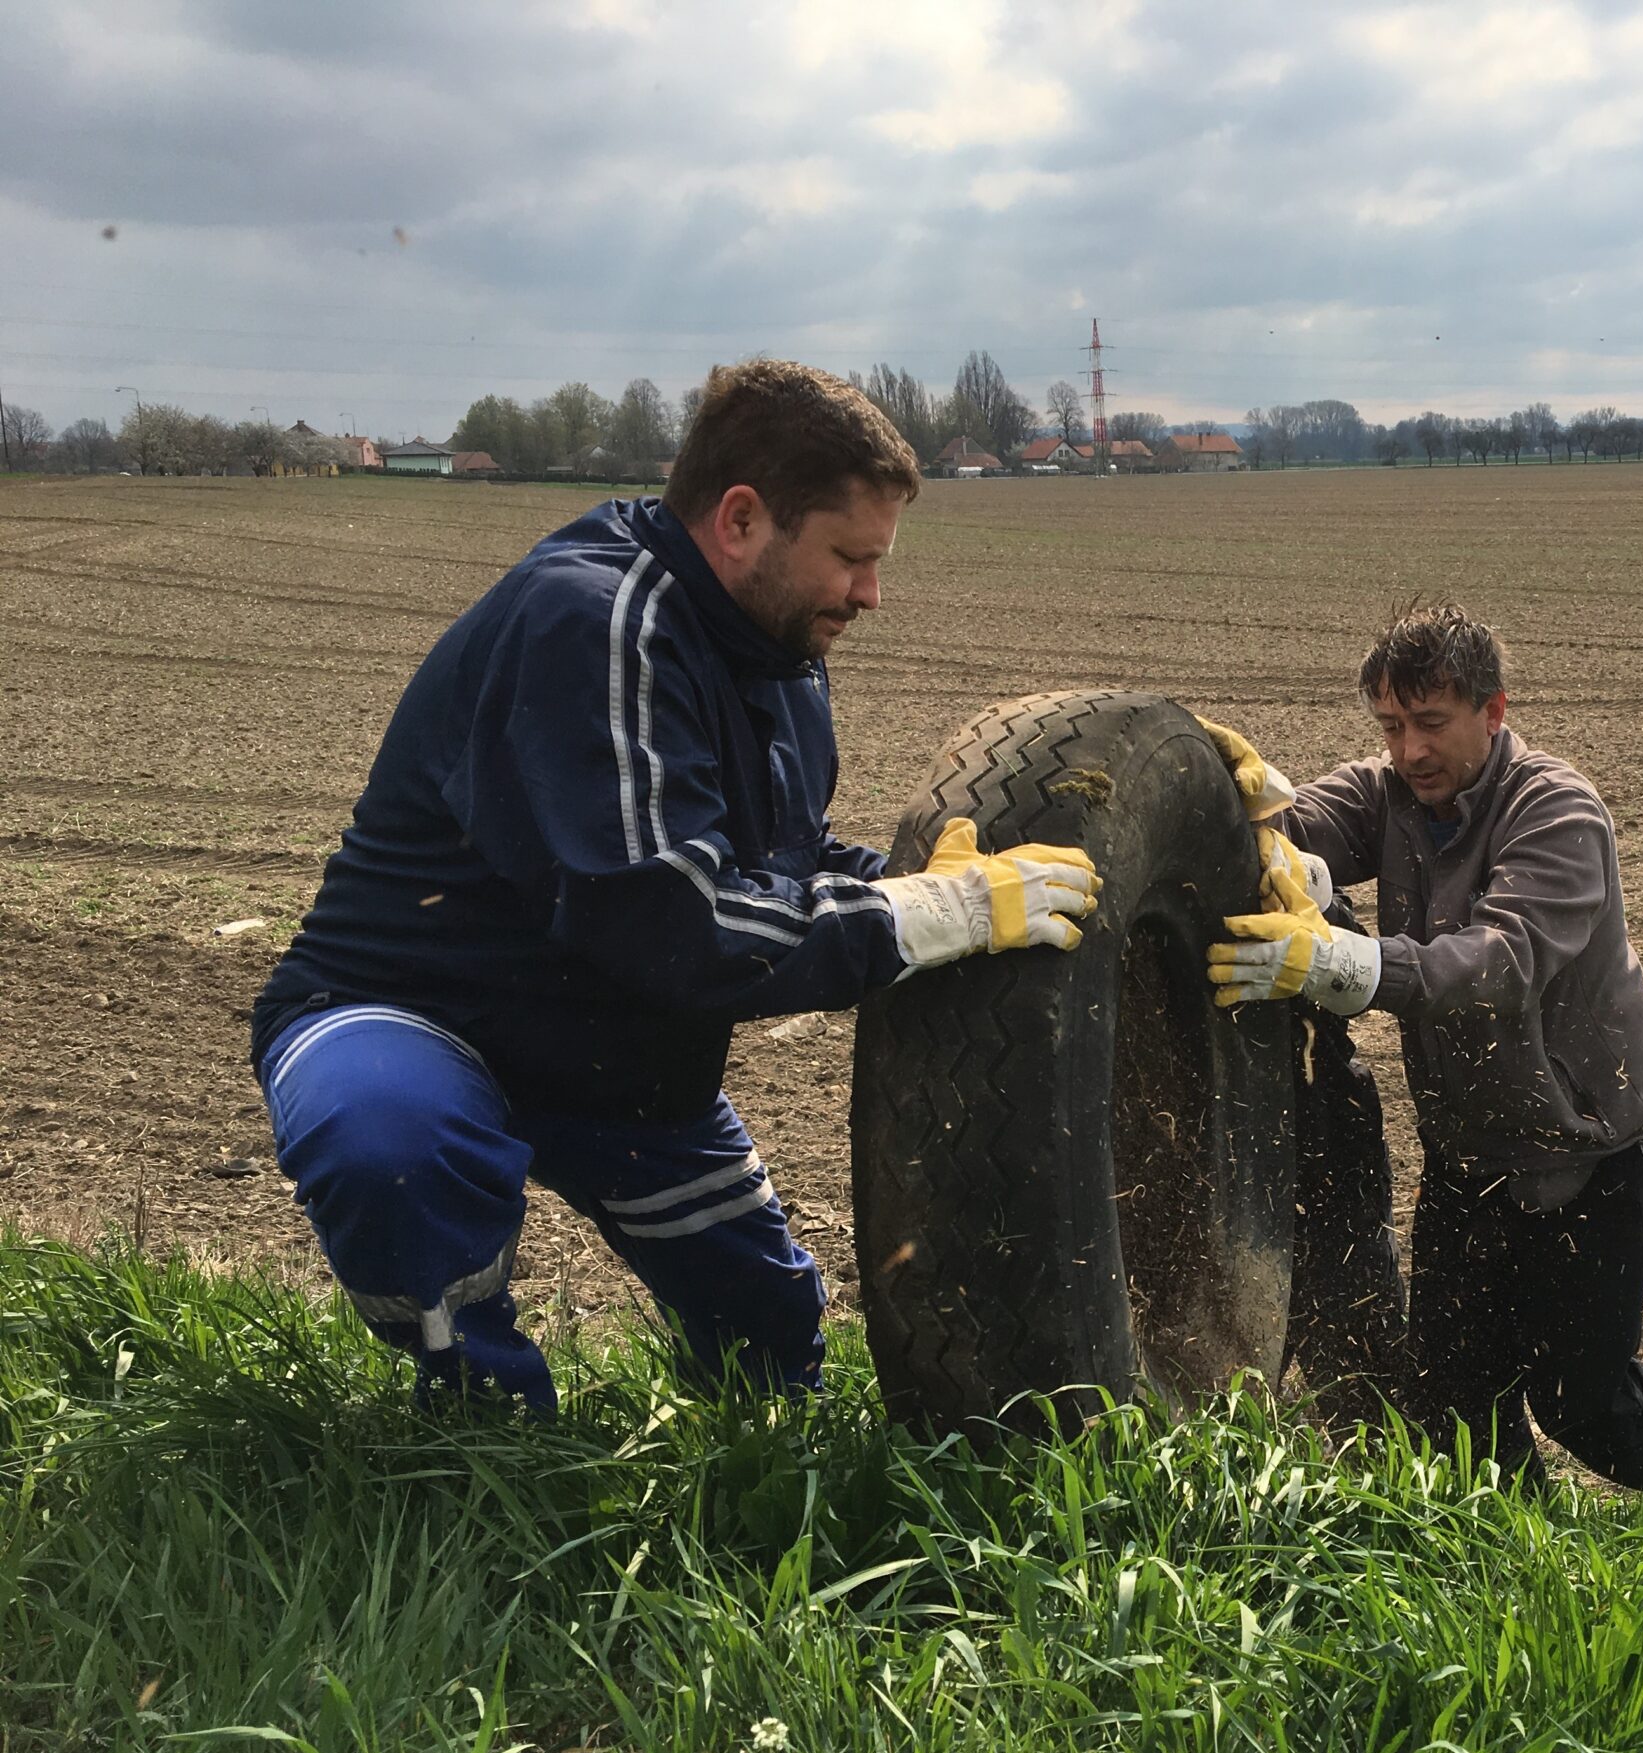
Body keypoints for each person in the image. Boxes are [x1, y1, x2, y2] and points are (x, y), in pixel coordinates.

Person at [252, 360, 1098, 1413]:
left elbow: (772, 865)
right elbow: (675, 923)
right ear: (741, 518)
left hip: (613, 1053)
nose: (870, 594)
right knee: (392, 1152)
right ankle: (478, 1428)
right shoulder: (595, 625)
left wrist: (916, 884)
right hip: (412, 1010)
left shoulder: (773, 649)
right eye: (848, 558)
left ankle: (746, 1455)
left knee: (773, 1344)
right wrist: (931, 914)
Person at [1201, 603, 1643, 1514]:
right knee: (1458, 1392)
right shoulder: (1388, 791)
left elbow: (1502, 961)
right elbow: (1304, 826)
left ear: (1493, 713)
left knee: (1583, 1403)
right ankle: (1516, 1550)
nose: (1408, 750)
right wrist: (1258, 830)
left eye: (1431, 724)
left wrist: (1350, 963)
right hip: (1471, 1146)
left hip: (1589, 1139)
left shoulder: (1557, 811)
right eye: (1390, 726)